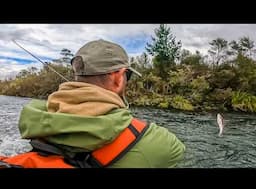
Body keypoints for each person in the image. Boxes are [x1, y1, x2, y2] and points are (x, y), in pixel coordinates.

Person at [0, 39, 185, 168]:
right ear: (119, 78)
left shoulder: (36, 119)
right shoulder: (156, 142)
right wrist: (124, 120)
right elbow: (178, 152)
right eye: (127, 76)